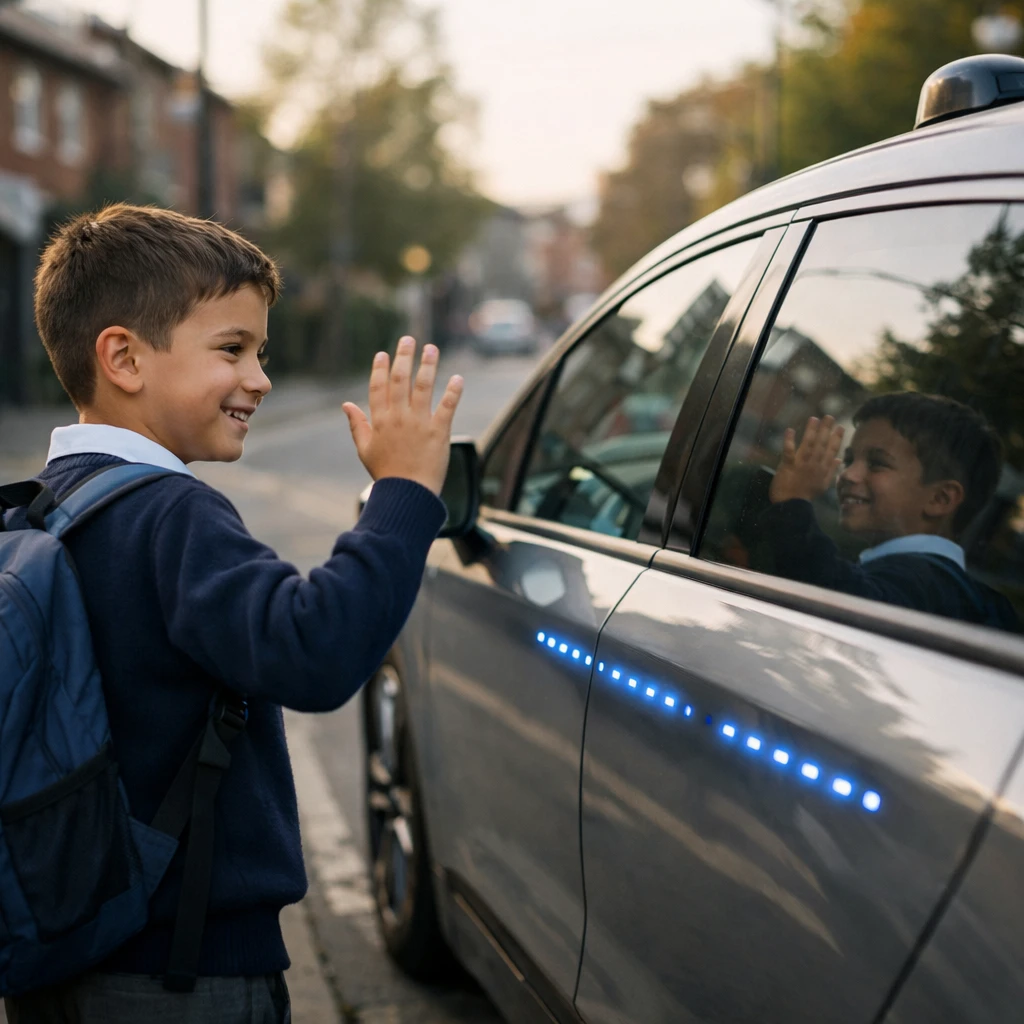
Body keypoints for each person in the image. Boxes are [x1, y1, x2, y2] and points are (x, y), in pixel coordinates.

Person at [2, 203, 463, 1023]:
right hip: (184, 975)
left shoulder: (38, 511)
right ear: (124, 358)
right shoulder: (169, 516)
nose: (260, 377)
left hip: (63, 954)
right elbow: (314, 649)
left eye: (261, 351)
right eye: (232, 349)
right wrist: (403, 493)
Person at [757, 391, 1019, 631]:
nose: (847, 473)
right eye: (849, 460)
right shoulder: (979, 601)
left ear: (940, 499)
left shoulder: (915, 584)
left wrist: (793, 503)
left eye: (877, 464)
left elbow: (836, 598)